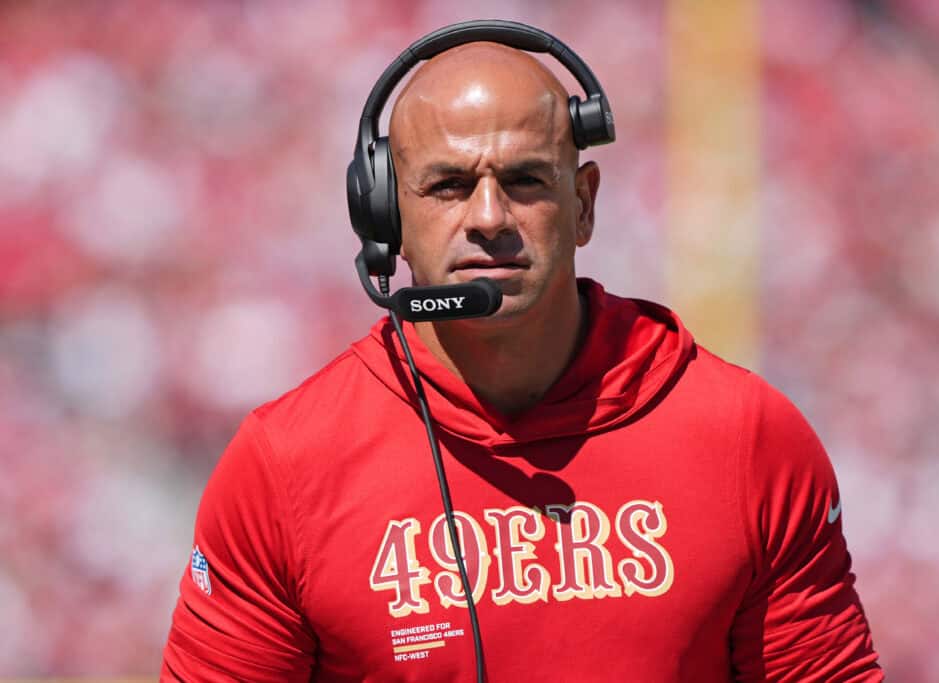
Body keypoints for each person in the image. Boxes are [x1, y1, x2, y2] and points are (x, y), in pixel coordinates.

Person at [162, 30, 883, 683]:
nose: (487, 218)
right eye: (447, 186)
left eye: (525, 180)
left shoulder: (747, 437)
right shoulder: (285, 464)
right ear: (387, 218)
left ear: (584, 204)